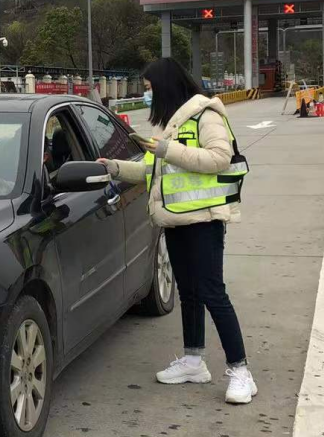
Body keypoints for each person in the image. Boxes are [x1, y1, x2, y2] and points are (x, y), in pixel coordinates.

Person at [100, 58, 258, 405]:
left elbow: (220, 158)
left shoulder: (207, 115)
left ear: (166, 86)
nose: (147, 95)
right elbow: (147, 168)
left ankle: (240, 370)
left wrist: (169, 150)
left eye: (149, 88)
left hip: (204, 219)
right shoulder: (167, 126)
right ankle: (193, 360)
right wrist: (112, 167)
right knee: (188, 293)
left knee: (213, 292)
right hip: (175, 219)